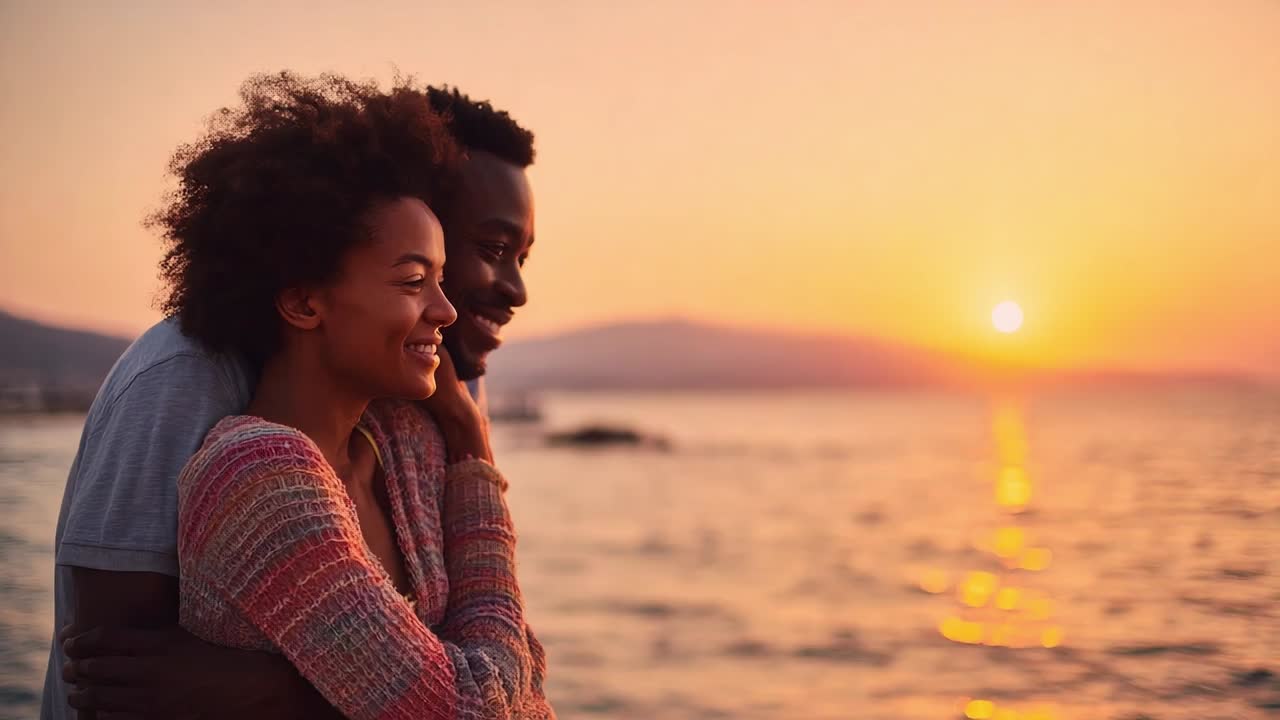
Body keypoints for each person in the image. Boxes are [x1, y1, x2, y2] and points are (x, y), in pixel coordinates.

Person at [44, 73, 547, 719]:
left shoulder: (423, 405)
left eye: (520, 258)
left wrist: (301, 689)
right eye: (491, 249)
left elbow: (502, 678)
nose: (510, 290)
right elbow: (116, 674)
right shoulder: (187, 380)